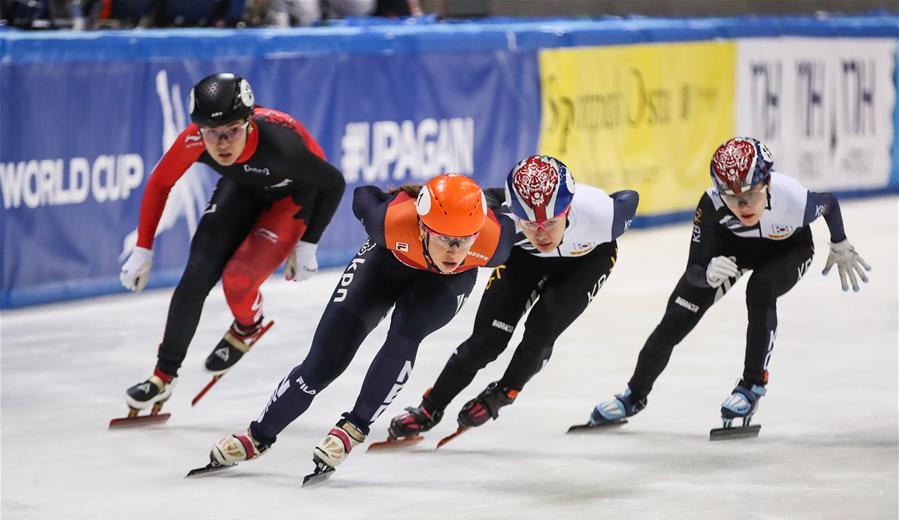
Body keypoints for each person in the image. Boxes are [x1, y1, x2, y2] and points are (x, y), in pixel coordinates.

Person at [204, 173, 517, 481]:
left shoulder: (495, 244)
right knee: (324, 362)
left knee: (405, 334)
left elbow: (505, 207)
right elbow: (362, 195)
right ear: (422, 226)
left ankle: (354, 427)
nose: (454, 251)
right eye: (445, 239)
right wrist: (404, 195)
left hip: (443, 287)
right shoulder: (388, 221)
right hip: (386, 264)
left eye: (464, 241)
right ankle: (258, 435)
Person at [584, 136, 871, 432]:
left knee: (760, 290)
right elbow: (693, 269)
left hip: (787, 251)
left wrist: (840, 242)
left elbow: (828, 203)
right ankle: (634, 395)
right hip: (732, 253)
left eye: (750, 195)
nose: (743, 205)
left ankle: (751, 386)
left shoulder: (792, 198)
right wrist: (706, 274)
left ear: (768, 184)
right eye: (732, 197)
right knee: (675, 319)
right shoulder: (710, 205)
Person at [120, 73, 345, 416]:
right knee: (194, 278)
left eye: (231, 132)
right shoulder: (194, 140)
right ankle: (163, 376)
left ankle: (248, 326)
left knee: (238, 279)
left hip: (294, 195)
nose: (222, 144)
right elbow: (159, 184)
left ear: (249, 123)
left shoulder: (281, 145)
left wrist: (308, 243)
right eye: (212, 133)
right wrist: (143, 247)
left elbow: (332, 183)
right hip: (241, 188)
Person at [385, 155, 639, 442]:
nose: (540, 233)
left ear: (568, 209)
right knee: (486, 341)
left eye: (550, 222)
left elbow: (630, 198)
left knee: (542, 331)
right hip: (524, 260)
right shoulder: (499, 219)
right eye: (529, 223)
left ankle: (505, 391)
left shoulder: (605, 215)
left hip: (587, 261)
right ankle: (429, 409)